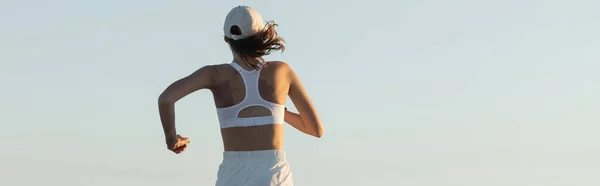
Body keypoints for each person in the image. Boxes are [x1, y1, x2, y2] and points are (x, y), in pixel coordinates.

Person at [157, 5, 324, 186]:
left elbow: (166, 99)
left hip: (233, 174)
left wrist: (172, 139)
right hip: (273, 174)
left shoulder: (214, 74)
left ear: (227, 39)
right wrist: (278, 112)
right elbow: (315, 129)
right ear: (262, 35)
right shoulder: (281, 71)